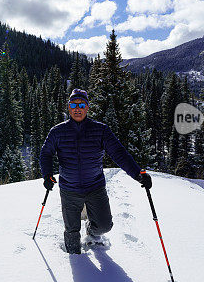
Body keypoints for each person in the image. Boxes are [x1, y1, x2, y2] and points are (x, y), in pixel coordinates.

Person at [40, 88, 152, 254]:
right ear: (69, 107)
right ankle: (74, 263)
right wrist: (47, 175)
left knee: (105, 225)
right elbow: (46, 153)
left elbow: (119, 153)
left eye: (81, 104)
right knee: (71, 234)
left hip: (95, 187)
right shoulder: (57, 132)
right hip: (69, 189)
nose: (77, 108)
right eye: (73, 104)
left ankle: (91, 230)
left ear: (87, 107)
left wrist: (138, 174)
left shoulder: (101, 130)